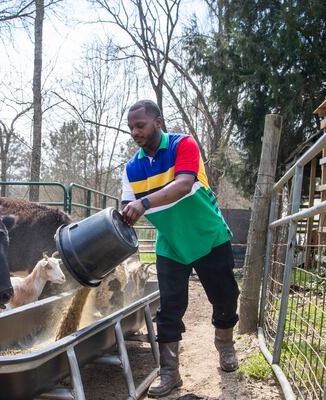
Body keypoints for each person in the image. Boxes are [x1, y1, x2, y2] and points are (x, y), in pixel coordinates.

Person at [121, 100, 239, 398]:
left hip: (207, 236)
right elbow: (126, 207)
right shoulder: (131, 168)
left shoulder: (183, 144)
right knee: (170, 308)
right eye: (131, 127)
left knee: (225, 296)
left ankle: (225, 345)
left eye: (140, 125)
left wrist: (143, 203)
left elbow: (184, 184)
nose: (135, 132)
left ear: (157, 122)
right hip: (171, 242)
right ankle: (169, 373)